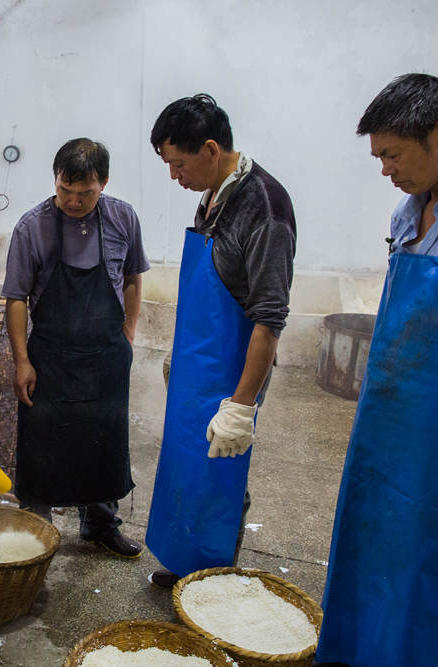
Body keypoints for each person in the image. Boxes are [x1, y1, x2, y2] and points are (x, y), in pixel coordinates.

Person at [315, 74, 438, 667]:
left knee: (427, 574)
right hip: (384, 431)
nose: (385, 170)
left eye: (392, 155)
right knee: (366, 556)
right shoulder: (407, 210)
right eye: (379, 158)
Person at [144, 94, 296, 586]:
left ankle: (213, 583)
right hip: (197, 362)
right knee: (189, 466)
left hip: (232, 371)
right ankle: (186, 567)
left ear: (211, 149)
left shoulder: (265, 207)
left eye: (179, 164)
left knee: (222, 472)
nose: (175, 177)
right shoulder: (213, 194)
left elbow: (269, 318)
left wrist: (241, 407)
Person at [2, 138, 149, 557]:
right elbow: (16, 297)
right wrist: (22, 361)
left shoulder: (123, 218)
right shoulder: (32, 227)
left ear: (104, 183)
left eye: (85, 193)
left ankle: (100, 524)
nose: (72, 201)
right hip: (50, 356)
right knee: (42, 444)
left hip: (106, 354)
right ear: (56, 180)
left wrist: (129, 330)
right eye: (65, 190)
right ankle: (36, 530)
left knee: (103, 441)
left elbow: (133, 277)